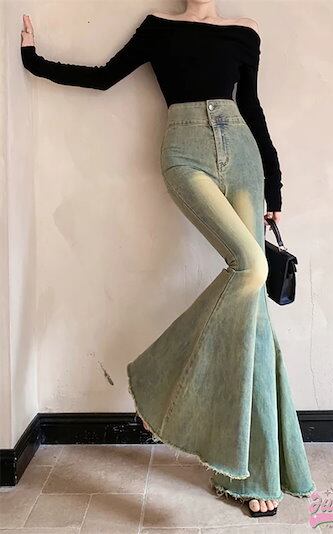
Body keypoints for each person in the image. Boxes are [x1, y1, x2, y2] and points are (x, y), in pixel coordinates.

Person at [20, 0, 316, 518]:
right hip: (185, 154)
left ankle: (249, 475)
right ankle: (161, 384)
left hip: (243, 155)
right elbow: (106, 77)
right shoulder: (158, 27)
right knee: (251, 268)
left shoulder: (245, 31)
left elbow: (252, 107)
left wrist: (274, 185)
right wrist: (34, 61)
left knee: (253, 309)